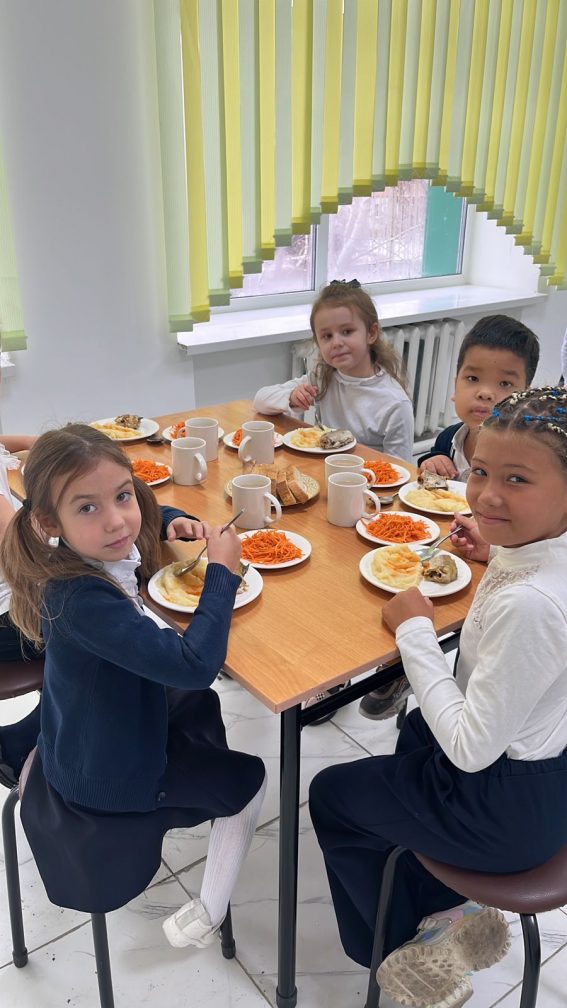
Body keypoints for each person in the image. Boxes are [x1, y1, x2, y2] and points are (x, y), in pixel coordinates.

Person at [309, 386, 567, 1008]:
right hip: (540, 776)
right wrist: (496, 550)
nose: (487, 495)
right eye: (481, 471)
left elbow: (472, 749)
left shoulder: (532, 605)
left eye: (517, 479)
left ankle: (404, 948)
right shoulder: (542, 554)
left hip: (503, 806)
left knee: (332, 794)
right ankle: (446, 908)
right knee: (416, 730)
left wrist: (415, 631)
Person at [0, 423, 266, 950]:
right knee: (251, 781)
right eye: (88, 508)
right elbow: (195, 664)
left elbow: (142, 508)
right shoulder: (81, 598)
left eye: (121, 496)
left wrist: (170, 519)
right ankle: (207, 914)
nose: (117, 520)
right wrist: (222, 573)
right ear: (49, 521)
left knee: (195, 702)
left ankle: (40, 757)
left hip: (89, 729)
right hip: (109, 779)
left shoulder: (72, 557)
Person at [359, 314, 540, 722]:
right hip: (447, 547)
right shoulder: (449, 438)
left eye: (506, 384)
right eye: (473, 379)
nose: (486, 393)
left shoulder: (527, 462)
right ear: (455, 384)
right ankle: (397, 671)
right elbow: (428, 489)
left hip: (494, 578)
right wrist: (430, 464)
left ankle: (412, 673)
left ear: (525, 396)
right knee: (387, 590)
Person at [253, 279, 414, 462]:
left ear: (371, 333)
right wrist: (291, 397)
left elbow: (402, 469)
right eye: (327, 336)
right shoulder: (323, 379)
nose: (336, 343)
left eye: (347, 332)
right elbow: (260, 400)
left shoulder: (395, 404)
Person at [0, 432, 42, 788]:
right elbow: (20, 551)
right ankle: (17, 747)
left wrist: (39, 441)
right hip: (5, 621)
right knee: (100, 624)